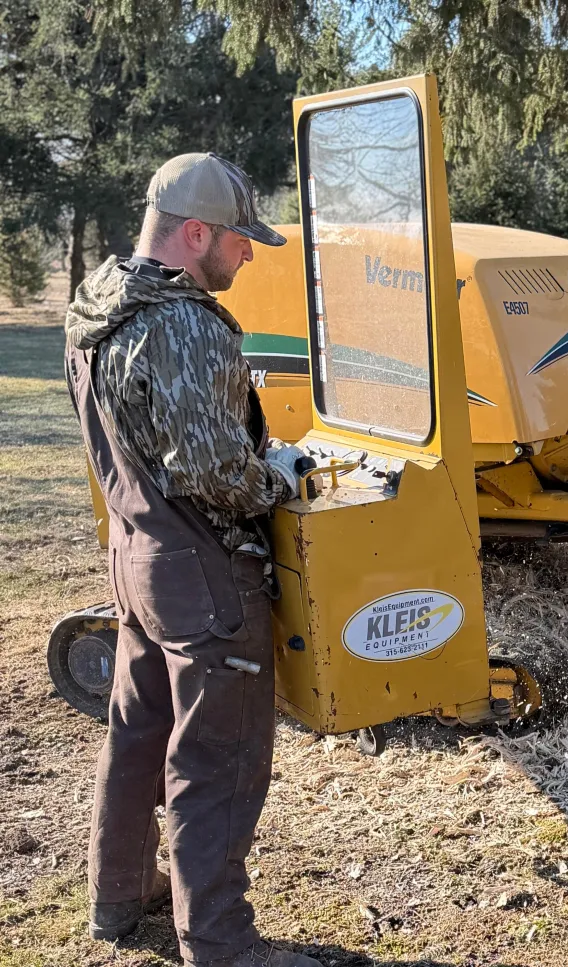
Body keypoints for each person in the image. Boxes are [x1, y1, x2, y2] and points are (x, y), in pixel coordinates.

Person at [64, 153, 320, 967]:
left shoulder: (96, 306)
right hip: (208, 575)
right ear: (196, 232)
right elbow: (214, 472)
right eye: (240, 240)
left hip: (136, 560)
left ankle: (120, 898)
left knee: (137, 733)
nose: (248, 255)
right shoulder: (182, 324)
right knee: (219, 759)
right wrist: (278, 476)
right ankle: (223, 945)